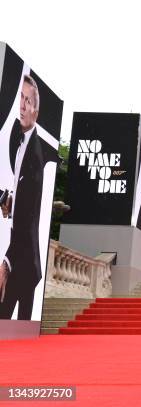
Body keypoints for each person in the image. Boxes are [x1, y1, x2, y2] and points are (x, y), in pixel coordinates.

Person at [0, 75, 46, 320]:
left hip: (24, 261)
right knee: (17, 332)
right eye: (21, 98)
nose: (22, 105)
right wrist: (9, 201)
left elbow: (27, 221)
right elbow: (22, 199)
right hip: (23, 256)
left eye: (28, 101)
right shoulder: (21, 143)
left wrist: (6, 263)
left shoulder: (34, 159)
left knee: (7, 322)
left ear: (35, 111)